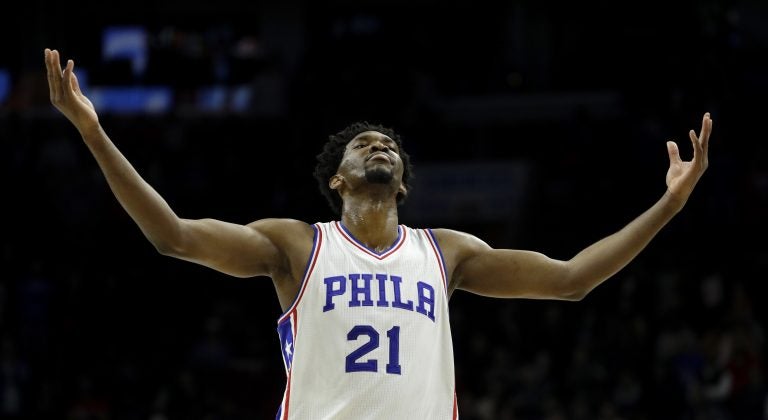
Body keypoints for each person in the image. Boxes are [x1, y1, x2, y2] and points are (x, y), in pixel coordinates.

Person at [44, 47, 712, 419]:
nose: (378, 144)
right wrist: (94, 132)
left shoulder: (445, 252)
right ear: (337, 179)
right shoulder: (297, 245)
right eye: (363, 143)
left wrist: (668, 208)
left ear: (403, 184)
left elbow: (571, 280)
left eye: (387, 143)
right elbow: (175, 237)